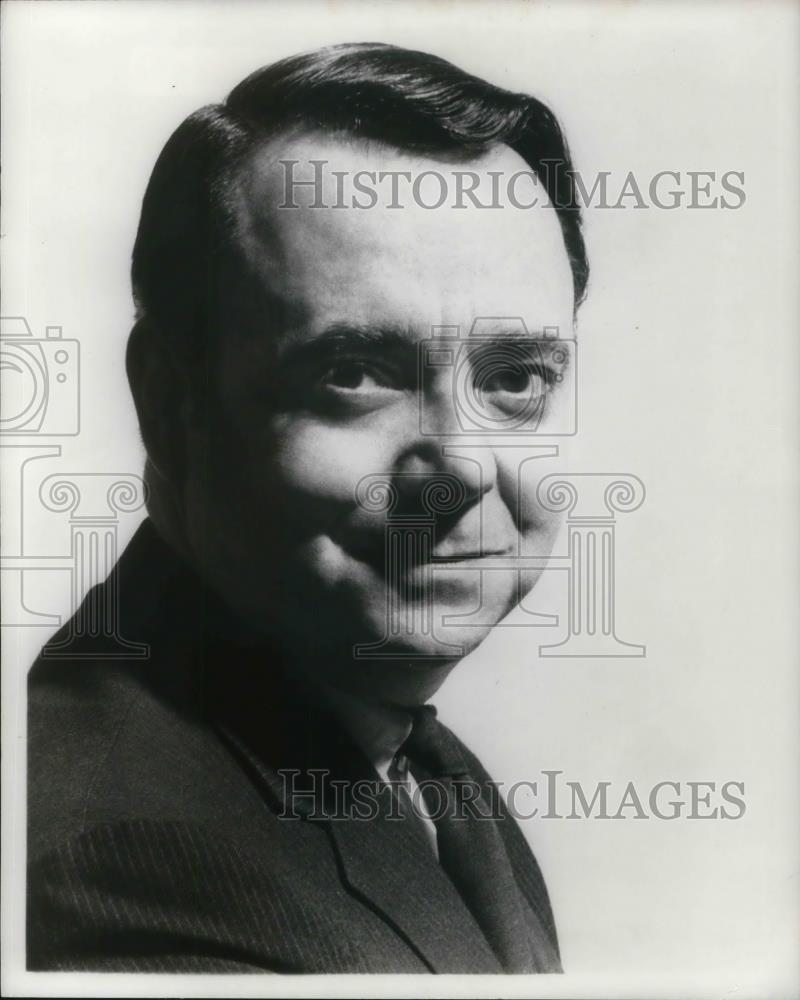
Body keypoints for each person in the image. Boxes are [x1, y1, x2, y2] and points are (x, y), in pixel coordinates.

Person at [27, 42, 587, 974]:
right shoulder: (129, 873)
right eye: (355, 374)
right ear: (169, 406)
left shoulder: (421, 772)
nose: (462, 462)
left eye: (516, 378)